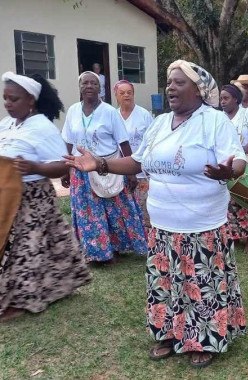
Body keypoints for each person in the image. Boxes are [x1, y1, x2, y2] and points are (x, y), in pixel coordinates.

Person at [65, 60, 248, 368]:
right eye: (169, 82)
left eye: (179, 82)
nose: (170, 87)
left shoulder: (214, 121)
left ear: (198, 90)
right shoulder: (160, 123)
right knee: (167, 283)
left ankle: (202, 339)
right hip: (162, 223)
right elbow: (137, 162)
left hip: (201, 224)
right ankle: (168, 332)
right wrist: (100, 163)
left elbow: (239, 159)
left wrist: (228, 171)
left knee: (199, 281)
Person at [0, 72, 91, 321]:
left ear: (30, 100)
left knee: (26, 247)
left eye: (14, 99)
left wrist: (35, 167)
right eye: (5, 98)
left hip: (33, 197)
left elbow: (62, 166)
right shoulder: (6, 125)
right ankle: (61, 283)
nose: (8, 103)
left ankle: (21, 300)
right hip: (7, 197)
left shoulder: (42, 127)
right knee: (47, 244)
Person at [61, 71, 147, 263]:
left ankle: (117, 247)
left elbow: (124, 143)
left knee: (115, 211)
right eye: (85, 83)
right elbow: (68, 141)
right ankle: (97, 253)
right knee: (88, 213)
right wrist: (66, 168)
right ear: (80, 87)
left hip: (108, 167)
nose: (89, 86)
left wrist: (131, 172)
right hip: (80, 170)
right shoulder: (73, 110)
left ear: (100, 88)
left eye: (94, 83)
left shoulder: (109, 112)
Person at [220, 84, 248, 253]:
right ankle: (233, 236)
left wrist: (242, 151)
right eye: (221, 99)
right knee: (228, 202)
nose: (222, 102)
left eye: (226, 98)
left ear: (236, 99)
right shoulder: (220, 117)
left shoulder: (247, 113)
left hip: (246, 160)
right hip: (227, 162)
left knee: (246, 199)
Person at [114, 80, 154, 233]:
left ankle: (148, 237)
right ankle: (129, 236)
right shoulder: (113, 115)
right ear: (116, 96)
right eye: (122, 93)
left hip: (141, 169)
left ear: (133, 94)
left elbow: (152, 140)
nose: (126, 96)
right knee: (124, 205)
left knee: (144, 204)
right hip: (119, 169)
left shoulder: (144, 115)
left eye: (129, 92)